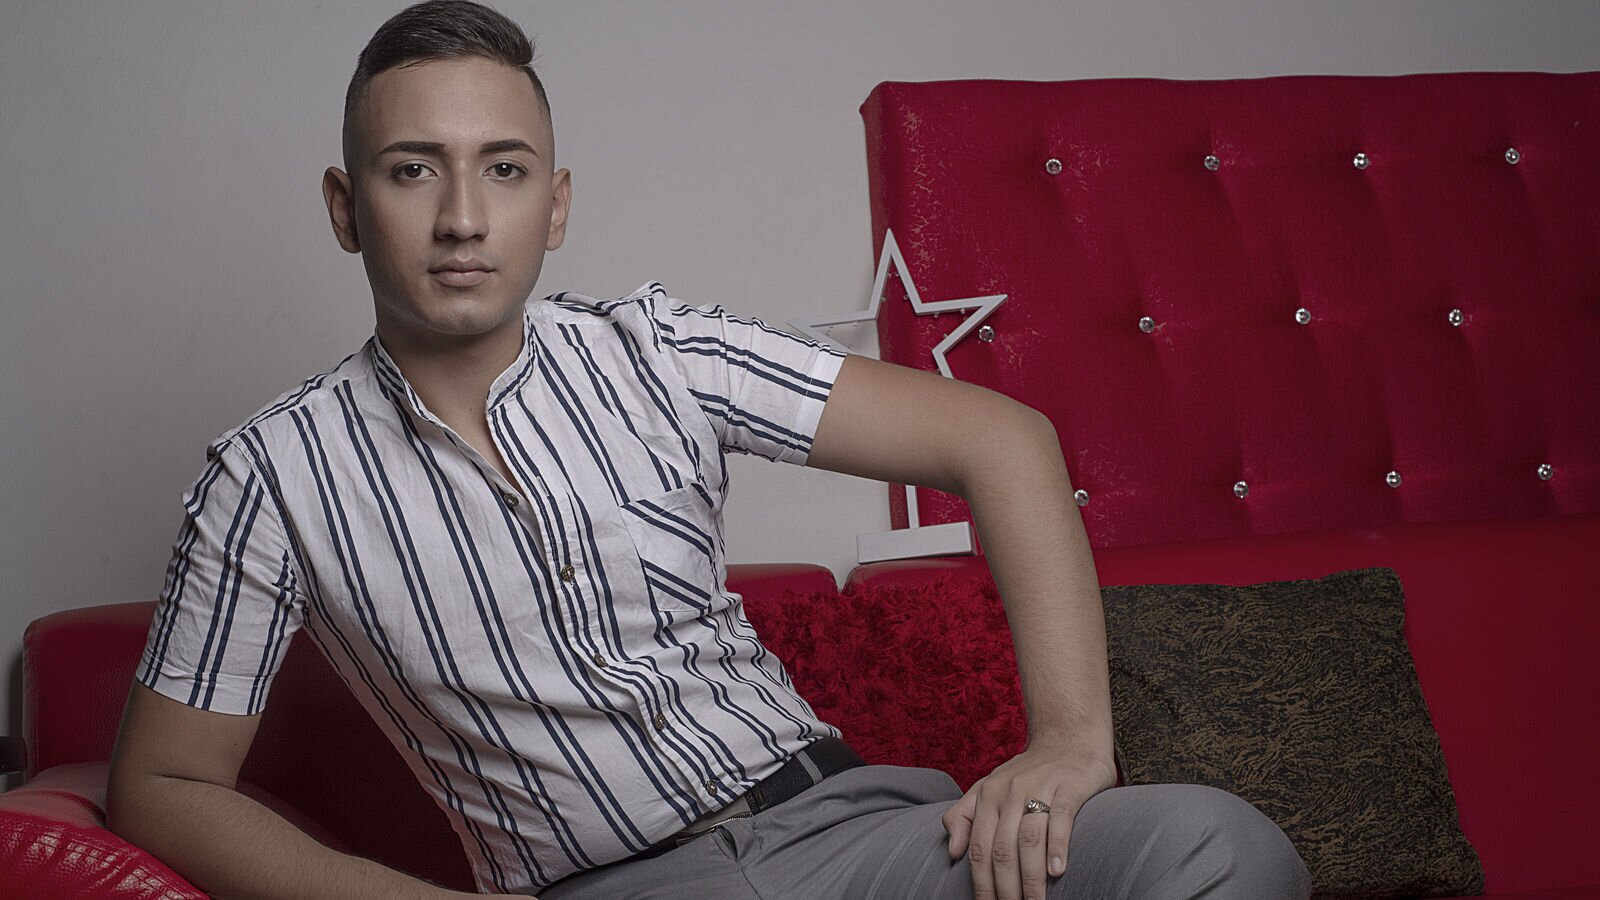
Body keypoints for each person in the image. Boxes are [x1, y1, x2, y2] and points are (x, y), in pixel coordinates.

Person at [106, 2, 1310, 898]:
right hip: (611, 886)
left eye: (503, 171)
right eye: (412, 170)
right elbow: (163, 786)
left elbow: (1002, 437)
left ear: (554, 205)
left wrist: (1069, 744)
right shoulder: (270, 475)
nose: (462, 217)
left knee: (1218, 849)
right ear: (344, 206)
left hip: (858, 836)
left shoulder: (661, 350)